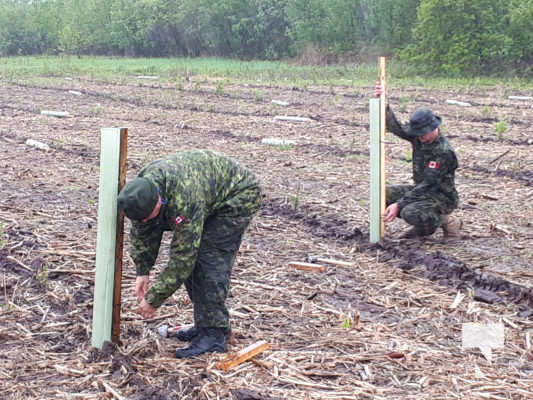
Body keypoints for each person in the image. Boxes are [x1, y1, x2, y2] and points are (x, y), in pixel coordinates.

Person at [117, 150, 262, 358]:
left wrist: (154, 299)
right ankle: (205, 324)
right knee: (196, 261)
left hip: (237, 196)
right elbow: (144, 230)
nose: (147, 221)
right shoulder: (140, 190)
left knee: (207, 260)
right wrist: (143, 270)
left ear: (159, 200)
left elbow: (183, 258)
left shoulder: (183, 198)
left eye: (150, 216)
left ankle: (214, 334)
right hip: (206, 192)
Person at [375, 84, 461, 238]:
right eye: (417, 133)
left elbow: (428, 184)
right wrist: (383, 102)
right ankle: (425, 225)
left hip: (440, 196)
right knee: (382, 193)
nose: (419, 137)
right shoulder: (419, 137)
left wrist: (398, 205)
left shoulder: (444, 152)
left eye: (423, 133)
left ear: (433, 127)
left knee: (409, 211)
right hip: (422, 190)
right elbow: (397, 128)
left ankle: (446, 220)